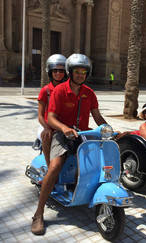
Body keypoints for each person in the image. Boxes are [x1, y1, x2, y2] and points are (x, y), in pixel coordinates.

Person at [31, 54, 108, 235]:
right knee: (56, 165)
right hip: (61, 133)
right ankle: (38, 213)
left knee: (97, 161)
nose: (80, 75)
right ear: (70, 72)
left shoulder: (89, 93)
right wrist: (64, 128)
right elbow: (50, 117)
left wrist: (108, 128)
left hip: (83, 134)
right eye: (77, 71)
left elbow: (97, 117)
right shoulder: (59, 91)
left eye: (84, 72)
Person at [37, 54, 67, 167]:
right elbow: (40, 115)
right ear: (50, 72)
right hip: (46, 124)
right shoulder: (45, 91)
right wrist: (46, 127)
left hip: (62, 125)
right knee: (46, 135)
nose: (58, 73)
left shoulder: (67, 89)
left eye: (61, 71)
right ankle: (49, 166)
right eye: (55, 70)